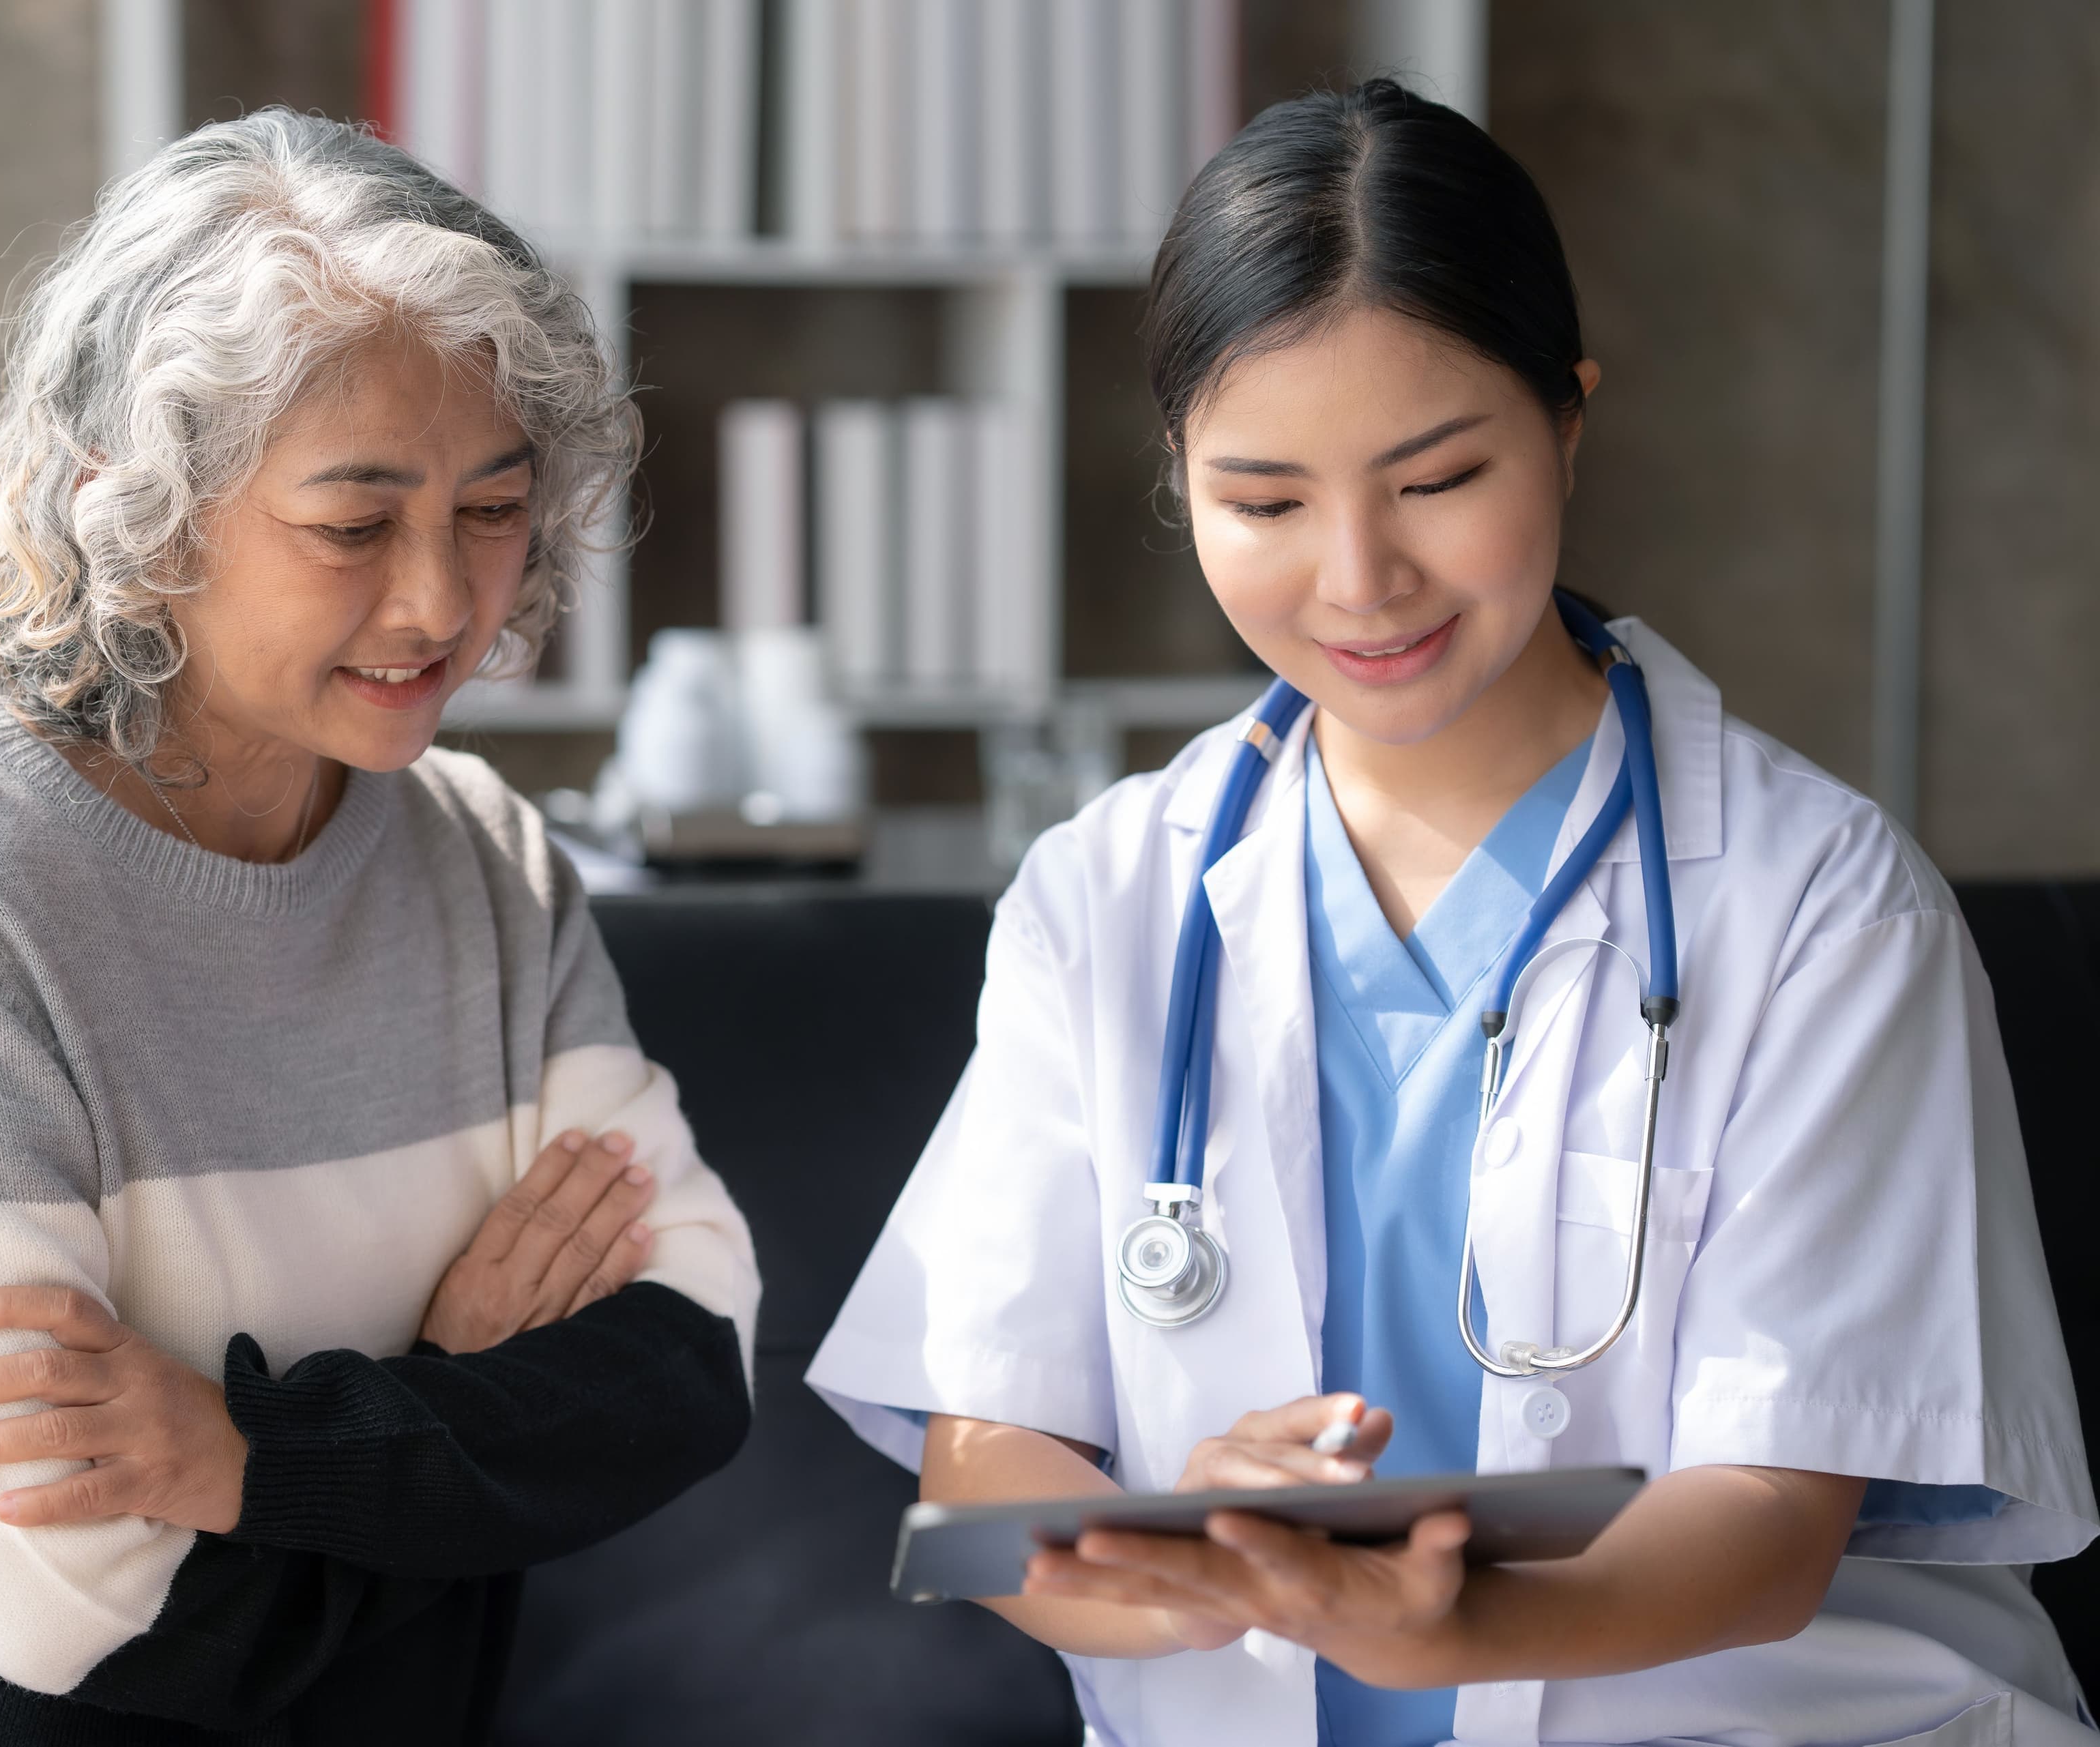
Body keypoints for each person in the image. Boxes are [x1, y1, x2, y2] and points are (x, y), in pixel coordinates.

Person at [807, 80, 2095, 1746]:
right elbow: (986, 1466)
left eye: (1435, 478)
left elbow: (1774, 1526)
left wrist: (1445, 1633)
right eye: (1263, 502)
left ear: (1568, 417)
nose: (1357, 579)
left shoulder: (1821, 911)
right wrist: (1190, 1551)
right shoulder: (1109, 896)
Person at [0, 111, 759, 1743]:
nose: (437, 603)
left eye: (492, 510)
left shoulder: (485, 858)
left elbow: (690, 1364)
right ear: (138, 515)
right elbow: (59, 1609)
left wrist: (252, 1454)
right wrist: (449, 1421)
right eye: (353, 525)